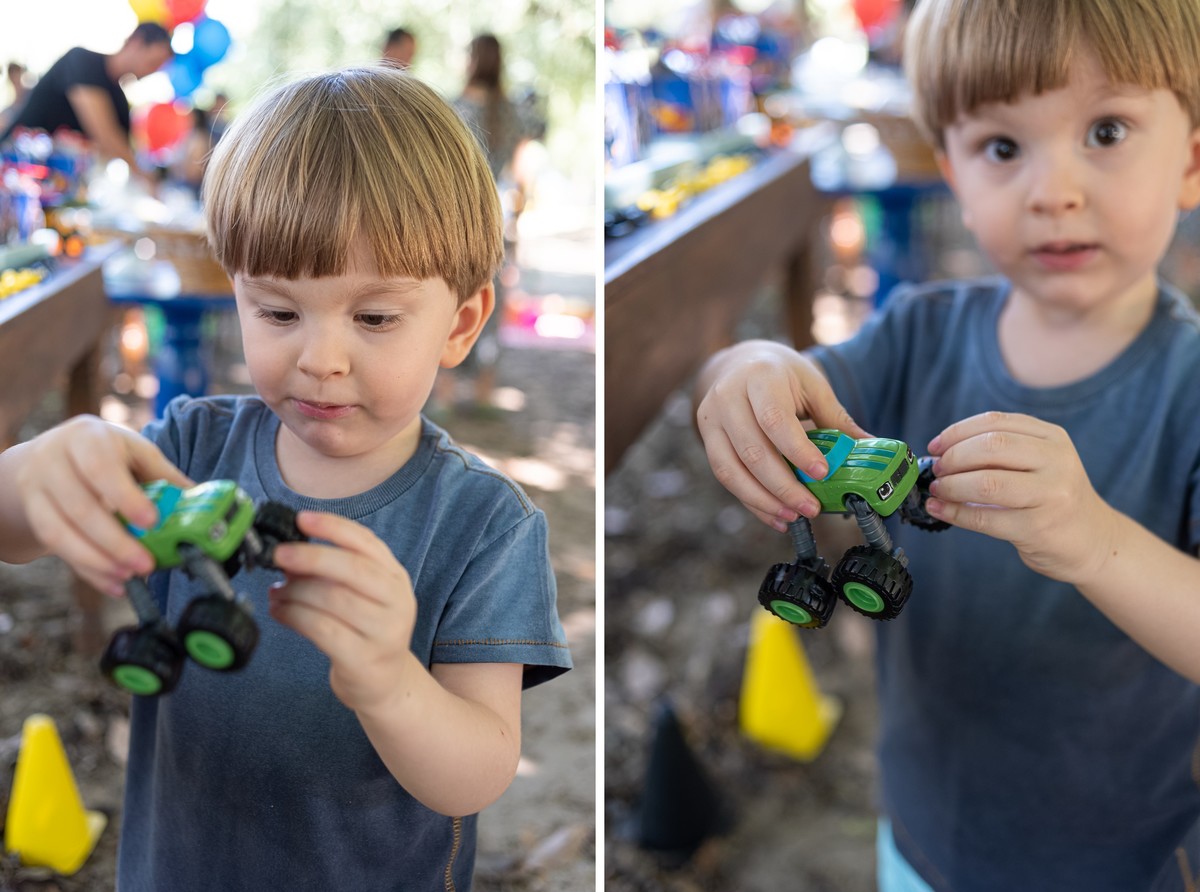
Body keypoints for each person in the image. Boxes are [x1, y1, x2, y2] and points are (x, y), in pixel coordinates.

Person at [0, 66, 571, 890]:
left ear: (462, 323)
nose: (320, 358)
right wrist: (40, 470)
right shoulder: (190, 449)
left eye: (374, 317)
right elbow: (13, 530)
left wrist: (390, 684)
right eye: (277, 311)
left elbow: (479, 772)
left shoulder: (484, 527)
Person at [693, 0, 1200, 889]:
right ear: (954, 174)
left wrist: (1095, 542)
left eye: (1107, 131)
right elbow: (778, 382)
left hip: (1116, 861)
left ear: (1191, 160)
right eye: (1002, 147)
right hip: (921, 836)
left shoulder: (1187, 392)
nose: (1052, 191)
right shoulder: (916, 333)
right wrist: (746, 366)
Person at [441, 33, 541, 415]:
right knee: (490, 302)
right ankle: (484, 392)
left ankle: (445, 393)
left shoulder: (453, 108)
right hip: (496, 215)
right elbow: (523, 165)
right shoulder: (510, 111)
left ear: (472, 60)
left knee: (448, 297)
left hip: (453, 214)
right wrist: (520, 214)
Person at [0, 23, 173, 187]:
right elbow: (105, 135)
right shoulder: (82, 61)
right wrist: (144, 176)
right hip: (14, 166)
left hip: (56, 184)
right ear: (137, 42)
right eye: (153, 62)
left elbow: (119, 150)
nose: (153, 71)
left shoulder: (119, 100)